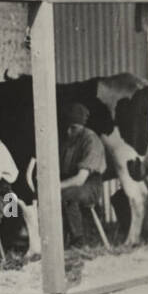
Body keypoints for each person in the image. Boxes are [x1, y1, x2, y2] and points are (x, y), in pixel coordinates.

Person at [59, 103, 107, 247]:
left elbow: (80, 179)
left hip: (90, 185)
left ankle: (78, 241)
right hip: (70, 181)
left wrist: (57, 186)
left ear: (82, 125)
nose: (68, 131)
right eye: (67, 127)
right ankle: (59, 240)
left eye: (73, 127)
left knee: (66, 195)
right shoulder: (67, 140)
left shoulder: (91, 139)